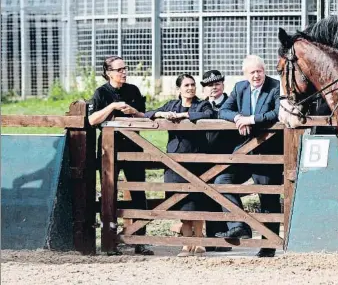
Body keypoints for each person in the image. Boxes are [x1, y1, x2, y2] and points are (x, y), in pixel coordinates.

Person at [216, 55, 283, 258]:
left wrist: (250, 119)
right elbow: (223, 110)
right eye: (252, 72)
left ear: (265, 71)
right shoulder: (240, 88)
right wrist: (237, 118)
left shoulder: (276, 86)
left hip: (268, 152)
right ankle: (239, 225)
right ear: (245, 74)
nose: (256, 75)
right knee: (222, 180)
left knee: (268, 199)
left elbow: (278, 113)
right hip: (245, 151)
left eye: (259, 71)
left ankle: (268, 245)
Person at [145, 74, 217, 257]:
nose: (190, 88)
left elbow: (209, 115)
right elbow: (146, 114)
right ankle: (186, 244)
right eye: (186, 85)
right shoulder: (171, 105)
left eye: (192, 85)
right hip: (175, 160)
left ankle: (199, 242)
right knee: (183, 202)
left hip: (197, 159)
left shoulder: (203, 104)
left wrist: (184, 116)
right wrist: (162, 114)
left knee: (199, 200)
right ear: (179, 88)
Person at [87, 56, 154, 255]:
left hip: (134, 147)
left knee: (138, 192)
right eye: (119, 70)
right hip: (110, 151)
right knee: (109, 193)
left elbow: (145, 118)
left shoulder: (133, 90)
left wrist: (133, 111)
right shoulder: (101, 93)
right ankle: (110, 242)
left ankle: (140, 240)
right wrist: (112, 107)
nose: (123, 72)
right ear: (108, 73)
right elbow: (92, 120)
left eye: (125, 69)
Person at [199, 69, 240, 251]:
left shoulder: (232, 104)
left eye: (216, 83)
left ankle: (225, 242)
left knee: (222, 190)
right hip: (205, 158)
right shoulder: (200, 106)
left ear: (223, 84)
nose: (213, 87)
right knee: (207, 197)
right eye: (208, 85)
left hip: (228, 156)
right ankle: (211, 240)